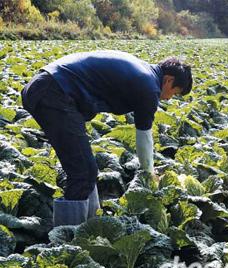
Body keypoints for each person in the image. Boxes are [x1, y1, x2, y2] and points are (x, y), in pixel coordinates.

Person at [21, 50, 193, 227]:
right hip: (53, 92)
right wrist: (149, 174)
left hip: (46, 88)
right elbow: (144, 137)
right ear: (169, 80)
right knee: (82, 173)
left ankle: (90, 226)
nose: (168, 98)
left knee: (87, 170)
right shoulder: (149, 87)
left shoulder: (142, 71)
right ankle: (68, 238)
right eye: (174, 93)